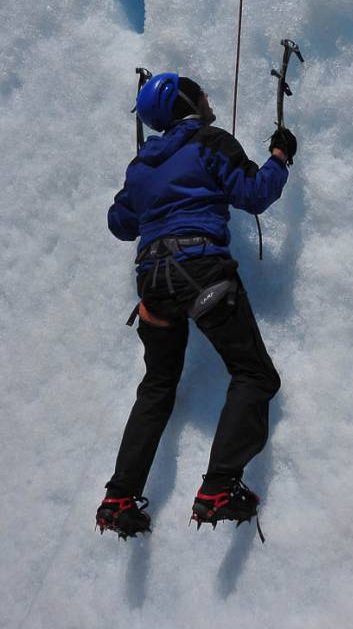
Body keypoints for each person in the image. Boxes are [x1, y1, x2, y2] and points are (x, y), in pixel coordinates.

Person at [95, 72, 296, 541]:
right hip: (201, 271)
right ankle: (219, 487)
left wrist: (145, 183)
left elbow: (120, 224)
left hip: (153, 283)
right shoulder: (209, 141)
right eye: (200, 92)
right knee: (253, 374)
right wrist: (280, 156)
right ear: (187, 102)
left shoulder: (141, 166)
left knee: (157, 389)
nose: (207, 97)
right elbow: (253, 194)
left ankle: (118, 499)